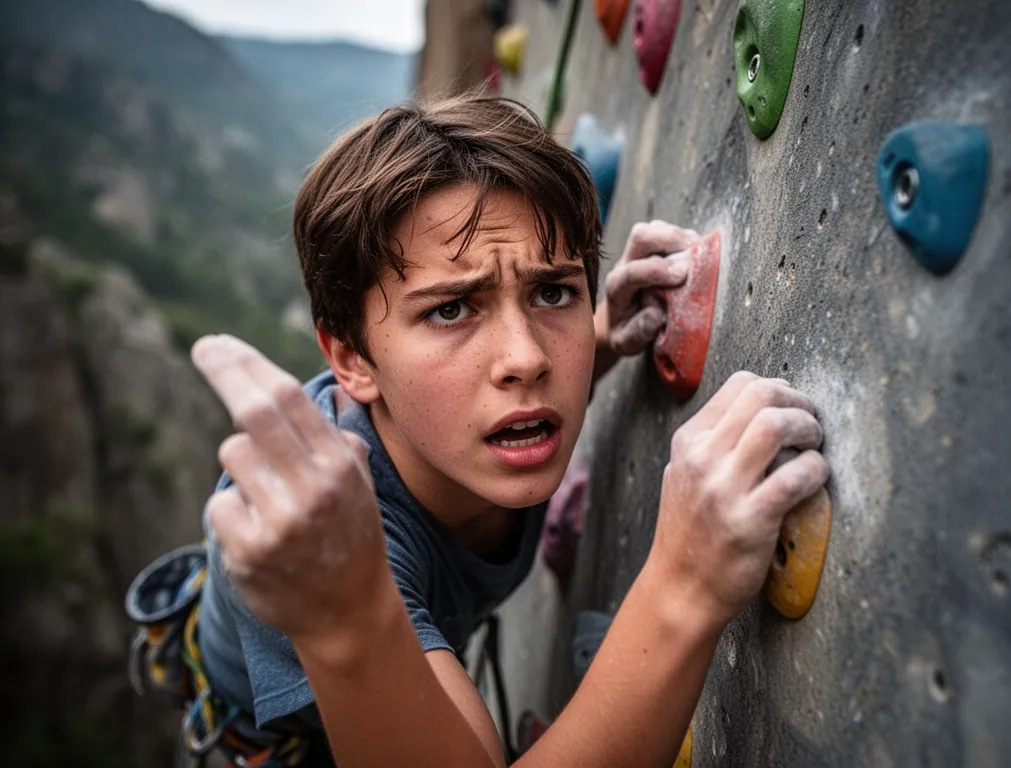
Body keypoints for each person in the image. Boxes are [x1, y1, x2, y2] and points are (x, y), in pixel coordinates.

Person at [190, 94, 828, 767]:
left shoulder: (493, 411)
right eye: (451, 310)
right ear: (351, 360)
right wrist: (687, 583)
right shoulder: (320, 544)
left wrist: (600, 339)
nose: (527, 359)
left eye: (552, 292)